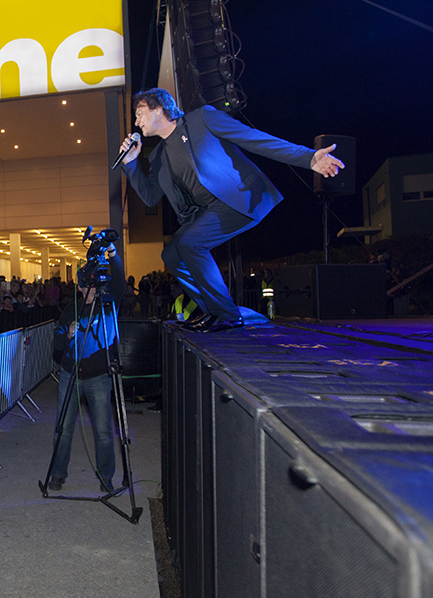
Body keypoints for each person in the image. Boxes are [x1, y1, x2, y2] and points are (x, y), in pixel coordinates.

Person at [119, 88, 344, 333]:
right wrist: (131, 164)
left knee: (190, 244)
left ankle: (226, 314)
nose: (137, 121)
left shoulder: (202, 119)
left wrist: (309, 158)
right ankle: (215, 310)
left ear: (159, 109)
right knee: (172, 254)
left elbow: (254, 138)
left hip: (240, 198)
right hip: (210, 210)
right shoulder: (159, 156)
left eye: (140, 113)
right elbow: (151, 197)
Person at [48, 242, 124, 492]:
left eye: (95, 287)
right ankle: (57, 474)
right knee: (63, 428)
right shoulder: (71, 310)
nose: (91, 292)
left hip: (98, 377)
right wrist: (68, 335)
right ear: (80, 287)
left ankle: (106, 478)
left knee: (103, 431)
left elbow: (120, 281)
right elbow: (56, 343)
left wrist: (112, 255)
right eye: (87, 287)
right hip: (70, 374)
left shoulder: (108, 306)